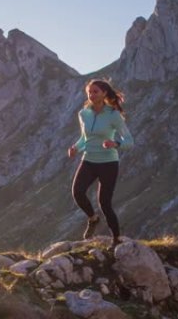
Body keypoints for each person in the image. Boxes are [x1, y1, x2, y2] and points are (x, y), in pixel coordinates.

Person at [67, 78, 133, 251]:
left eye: (95, 91)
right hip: (88, 159)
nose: (92, 94)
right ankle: (93, 218)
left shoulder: (113, 115)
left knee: (104, 202)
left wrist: (115, 144)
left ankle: (116, 239)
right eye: (89, 91)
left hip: (108, 162)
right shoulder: (83, 114)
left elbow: (129, 141)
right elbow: (84, 139)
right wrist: (75, 147)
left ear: (104, 93)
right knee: (77, 192)